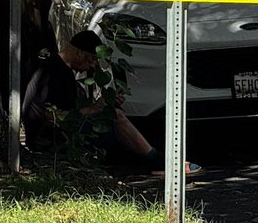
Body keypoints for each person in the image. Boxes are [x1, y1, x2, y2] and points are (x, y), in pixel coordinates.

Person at [22, 29, 201, 176]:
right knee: (116, 117)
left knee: (122, 127)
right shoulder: (54, 72)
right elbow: (55, 117)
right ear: (79, 52)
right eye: (92, 59)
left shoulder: (62, 70)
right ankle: (159, 161)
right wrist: (96, 108)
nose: (92, 66)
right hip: (48, 136)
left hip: (59, 132)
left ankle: (155, 159)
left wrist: (103, 103)